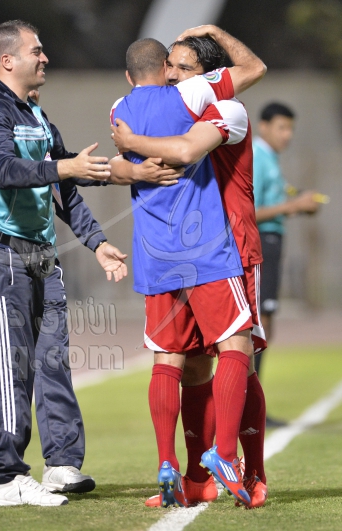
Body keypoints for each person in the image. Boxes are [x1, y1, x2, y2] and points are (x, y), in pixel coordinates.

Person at [0, 20, 127, 507]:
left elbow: (65, 180)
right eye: (37, 50)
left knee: (47, 359)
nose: (45, 57)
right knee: (9, 365)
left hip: (40, 257)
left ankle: (49, 462)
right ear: (7, 60)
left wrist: (100, 233)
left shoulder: (34, 113)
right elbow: (4, 171)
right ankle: (5, 474)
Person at [108, 29, 266, 508]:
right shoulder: (176, 104)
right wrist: (130, 166)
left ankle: (253, 474)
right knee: (194, 363)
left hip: (233, 248)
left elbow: (185, 149)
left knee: (239, 360)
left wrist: (131, 145)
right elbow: (119, 165)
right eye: (170, 66)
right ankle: (199, 477)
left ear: (209, 75)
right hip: (196, 252)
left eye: (185, 67)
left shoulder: (226, 110)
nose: (174, 75)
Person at [253, 102, 321, 427]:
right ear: (263, 126)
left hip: (272, 242)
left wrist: (298, 204)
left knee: (265, 325)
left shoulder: (271, 159)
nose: (287, 135)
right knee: (259, 325)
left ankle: (252, 406)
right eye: (281, 127)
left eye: (290, 128)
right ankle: (247, 407)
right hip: (260, 243)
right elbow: (247, 210)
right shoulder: (257, 156)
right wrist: (291, 205)